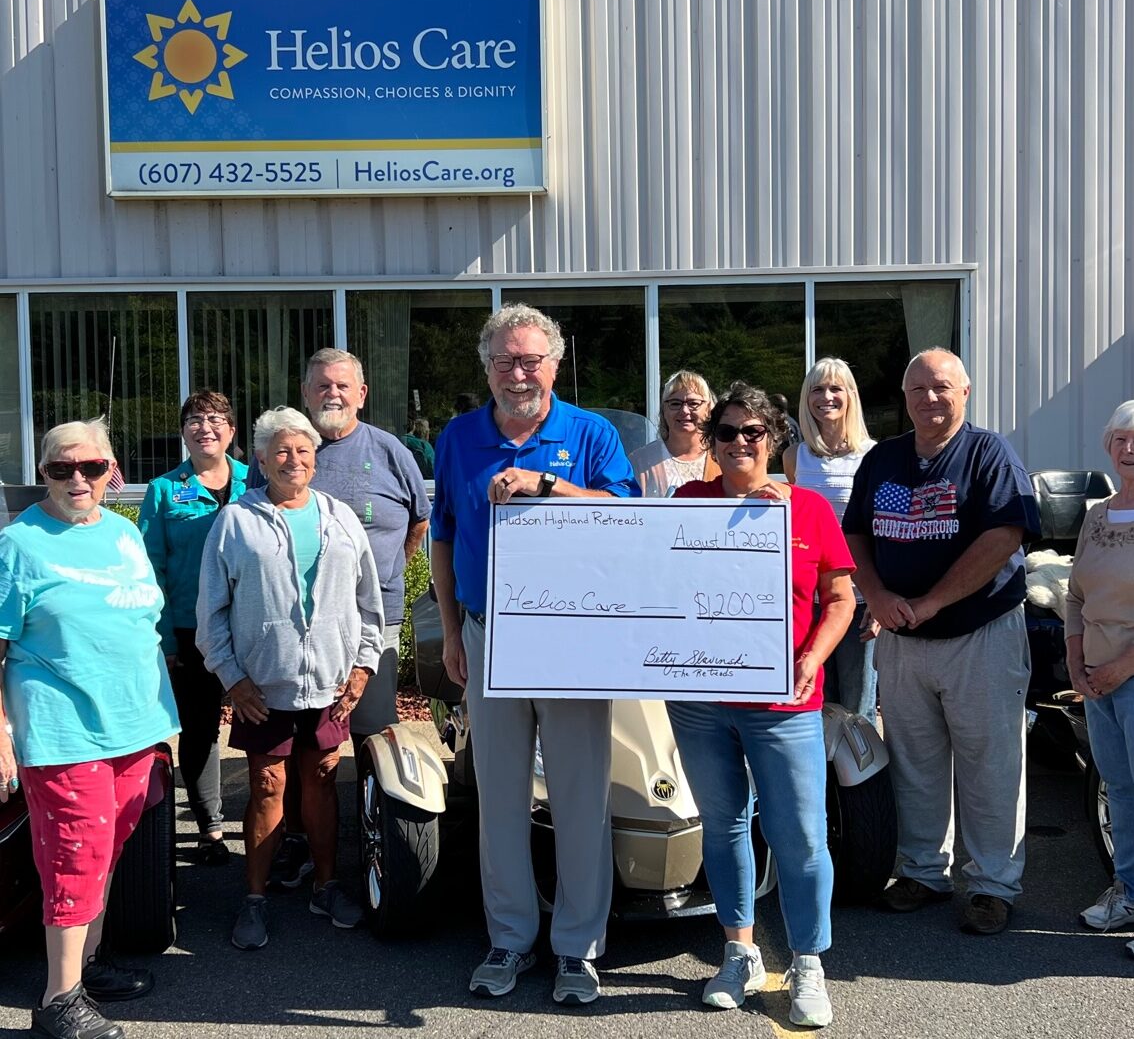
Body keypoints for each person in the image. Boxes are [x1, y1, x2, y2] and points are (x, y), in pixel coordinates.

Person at [430, 303, 638, 1006]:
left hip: (573, 638)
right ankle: (510, 936)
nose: (518, 374)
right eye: (504, 361)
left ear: (554, 363)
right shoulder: (459, 437)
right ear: (487, 368)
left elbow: (627, 519)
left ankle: (578, 948)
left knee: (581, 796)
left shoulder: (591, 433)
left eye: (530, 360)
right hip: (489, 634)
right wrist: (455, 633)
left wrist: (546, 485)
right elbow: (444, 538)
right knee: (501, 795)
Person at [670, 382, 853, 1027]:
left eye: (753, 432)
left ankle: (808, 962)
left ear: (774, 439)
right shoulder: (684, 502)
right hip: (699, 701)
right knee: (721, 826)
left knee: (800, 834)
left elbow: (840, 600)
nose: (740, 443)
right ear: (711, 444)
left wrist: (811, 659)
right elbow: (653, 584)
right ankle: (739, 951)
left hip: (785, 701)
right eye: (727, 433)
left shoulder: (808, 510)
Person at [843, 348, 1039, 935]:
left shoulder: (988, 454)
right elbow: (855, 532)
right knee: (914, 761)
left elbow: (1004, 535)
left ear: (966, 393)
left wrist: (932, 601)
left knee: (990, 763)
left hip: (979, 632)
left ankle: (992, 885)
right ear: (904, 396)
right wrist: (875, 596)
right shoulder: (884, 458)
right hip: (904, 638)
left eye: (943, 388)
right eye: (919, 389)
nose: (931, 398)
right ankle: (924, 872)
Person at [0, 419, 180, 1039]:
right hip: (62, 728)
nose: (78, 479)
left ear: (111, 470)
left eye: (92, 468)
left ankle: (88, 966)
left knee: (106, 852)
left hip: (134, 724)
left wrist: (160, 718)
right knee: (75, 855)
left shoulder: (125, 534)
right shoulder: (18, 544)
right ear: (44, 472)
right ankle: (58, 999)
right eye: (61, 469)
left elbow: (144, 623)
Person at [197, 406, 384, 951]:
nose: (293, 459)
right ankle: (254, 897)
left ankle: (326, 886)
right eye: (281, 450)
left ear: (315, 459)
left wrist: (364, 665)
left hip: (330, 681)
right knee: (266, 785)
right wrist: (233, 678)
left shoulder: (341, 518)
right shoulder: (236, 521)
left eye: (303, 450)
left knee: (323, 780)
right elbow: (211, 613)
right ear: (260, 459)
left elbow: (368, 603)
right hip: (265, 685)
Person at [250, 348, 431, 885]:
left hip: (374, 623)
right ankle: (305, 843)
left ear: (362, 393)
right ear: (306, 394)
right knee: (307, 744)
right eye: (321, 386)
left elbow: (419, 520)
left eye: (343, 386)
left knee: (373, 735)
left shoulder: (390, 450)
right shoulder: (288, 450)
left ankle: (380, 842)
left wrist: (385, 572)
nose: (333, 394)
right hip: (298, 631)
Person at [139, 391, 248, 866]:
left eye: (216, 419)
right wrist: (161, 637)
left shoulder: (257, 478)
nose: (206, 427)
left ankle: (277, 825)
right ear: (183, 431)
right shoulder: (165, 490)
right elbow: (150, 568)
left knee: (263, 724)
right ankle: (211, 826)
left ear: (232, 431)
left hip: (253, 627)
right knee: (201, 728)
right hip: (191, 629)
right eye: (195, 420)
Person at [1065, 399, 1134, 958]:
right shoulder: (1096, 514)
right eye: (1121, 439)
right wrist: (1073, 656)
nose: (1130, 449)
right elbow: (1076, 594)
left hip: (1128, 673)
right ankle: (1129, 893)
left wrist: (1121, 667)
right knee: (1120, 788)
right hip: (1096, 679)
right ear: (1108, 447)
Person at [783, 358, 878, 722]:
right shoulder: (795, 457)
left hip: (856, 596)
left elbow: (878, 531)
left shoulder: (872, 455)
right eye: (817, 389)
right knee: (813, 699)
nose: (827, 397)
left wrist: (876, 597)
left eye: (836, 388)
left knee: (857, 708)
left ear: (851, 395)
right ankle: (823, 781)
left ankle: (863, 781)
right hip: (809, 600)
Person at [628, 370, 720, 497]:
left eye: (693, 403)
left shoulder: (723, 458)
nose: (684, 411)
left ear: (708, 409)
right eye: (675, 403)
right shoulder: (640, 461)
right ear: (664, 411)